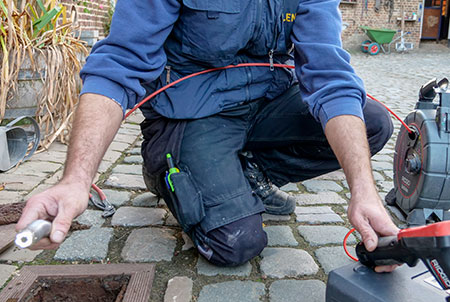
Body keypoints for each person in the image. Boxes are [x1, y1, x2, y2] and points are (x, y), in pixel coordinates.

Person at [17, 0, 399, 271]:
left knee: (372, 123)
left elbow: (330, 78)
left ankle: (247, 170)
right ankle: (163, 168)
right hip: (195, 111)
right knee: (235, 242)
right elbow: (120, 66)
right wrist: (76, 180)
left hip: (267, 100)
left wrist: (363, 190)